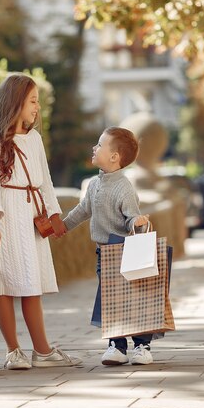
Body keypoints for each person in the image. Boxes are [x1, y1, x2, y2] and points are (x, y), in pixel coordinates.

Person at [0, 73, 81, 370]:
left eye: (38, 102)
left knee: (31, 284)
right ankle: (14, 351)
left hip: (32, 217)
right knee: (5, 286)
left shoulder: (35, 139)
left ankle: (42, 351)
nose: (37, 108)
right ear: (15, 103)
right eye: (33, 101)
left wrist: (54, 214)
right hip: (7, 217)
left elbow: (46, 181)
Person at [63, 127, 153, 366]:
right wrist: (63, 227)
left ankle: (142, 346)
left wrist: (138, 222)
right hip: (105, 253)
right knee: (110, 299)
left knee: (136, 298)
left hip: (127, 251)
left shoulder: (124, 187)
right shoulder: (94, 184)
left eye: (100, 144)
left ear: (114, 157)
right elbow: (83, 210)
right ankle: (117, 346)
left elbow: (131, 216)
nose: (95, 147)